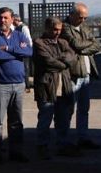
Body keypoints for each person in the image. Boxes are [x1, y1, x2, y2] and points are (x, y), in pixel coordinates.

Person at [0, 6, 33, 163]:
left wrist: (9, 48)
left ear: (12, 19)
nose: (2, 20)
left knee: (16, 121)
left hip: (18, 85)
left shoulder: (19, 35)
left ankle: (16, 152)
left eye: (6, 17)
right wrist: (17, 52)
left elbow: (29, 52)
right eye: (0, 17)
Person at [33, 16, 78, 159]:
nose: (57, 32)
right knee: (45, 118)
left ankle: (62, 145)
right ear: (47, 28)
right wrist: (64, 64)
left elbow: (73, 57)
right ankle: (42, 146)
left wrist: (61, 61)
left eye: (59, 30)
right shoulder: (39, 43)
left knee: (63, 118)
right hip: (47, 87)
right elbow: (47, 62)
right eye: (54, 29)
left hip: (63, 87)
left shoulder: (64, 42)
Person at [60, 2, 101, 150]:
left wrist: (84, 48)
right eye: (80, 17)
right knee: (68, 108)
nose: (83, 20)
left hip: (87, 73)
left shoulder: (84, 27)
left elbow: (97, 45)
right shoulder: (65, 27)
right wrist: (88, 45)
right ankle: (64, 140)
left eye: (85, 17)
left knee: (84, 108)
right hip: (74, 74)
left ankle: (82, 137)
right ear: (72, 15)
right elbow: (76, 45)